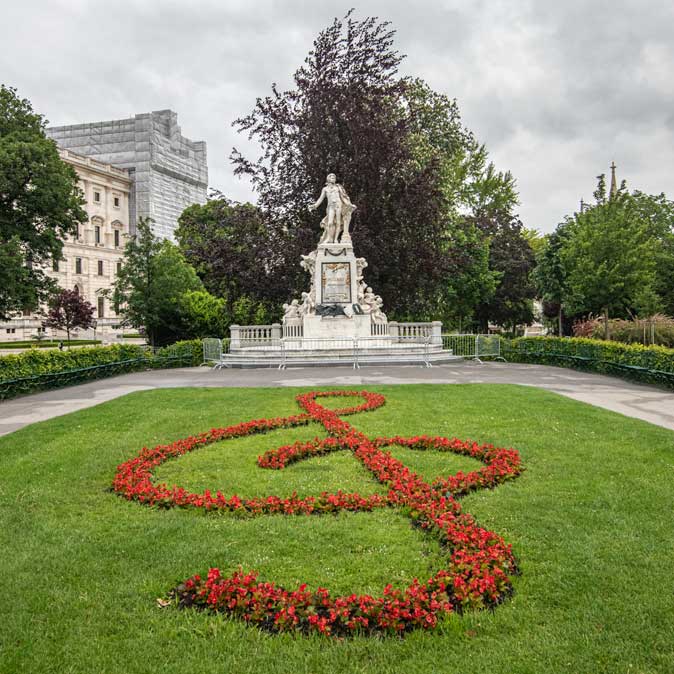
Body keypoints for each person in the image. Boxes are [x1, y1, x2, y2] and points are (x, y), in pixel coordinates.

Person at [308, 173, 356, 244]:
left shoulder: (338, 187)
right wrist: (314, 205)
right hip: (331, 206)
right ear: (328, 179)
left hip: (338, 205)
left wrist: (349, 205)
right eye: (332, 177)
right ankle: (329, 238)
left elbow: (343, 197)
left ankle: (335, 239)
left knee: (338, 222)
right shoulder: (325, 189)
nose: (333, 178)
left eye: (334, 177)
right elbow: (320, 199)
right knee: (330, 223)